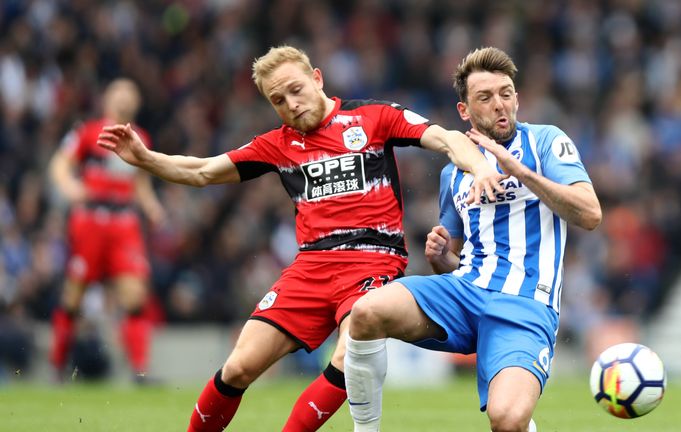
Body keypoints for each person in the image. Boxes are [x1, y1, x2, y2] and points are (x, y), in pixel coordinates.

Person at [96, 45, 503, 432]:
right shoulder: (276, 145)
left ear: (317, 78)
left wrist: (480, 169)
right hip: (309, 268)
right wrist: (146, 159)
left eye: (296, 89)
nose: (291, 103)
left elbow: (448, 139)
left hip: (373, 261)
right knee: (239, 366)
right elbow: (202, 171)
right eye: (278, 99)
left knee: (348, 356)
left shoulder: (373, 117)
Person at [343, 47, 602, 432]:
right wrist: (441, 258)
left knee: (508, 420)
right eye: (485, 97)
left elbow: (590, 213)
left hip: (525, 306)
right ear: (464, 110)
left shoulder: (545, 141)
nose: (500, 104)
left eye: (506, 93)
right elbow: (460, 259)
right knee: (363, 314)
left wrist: (522, 172)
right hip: (464, 293)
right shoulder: (455, 173)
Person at [48, 78, 165, 382]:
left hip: (124, 225)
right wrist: (69, 185)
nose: (125, 98)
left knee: (135, 297)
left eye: (131, 93)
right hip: (90, 222)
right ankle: (57, 366)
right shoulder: (87, 133)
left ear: (137, 102)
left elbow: (140, 182)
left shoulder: (141, 138)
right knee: (73, 299)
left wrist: (151, 207)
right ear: (106, 99)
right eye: (119, 92)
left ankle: (141, 372)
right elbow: (60, 164)